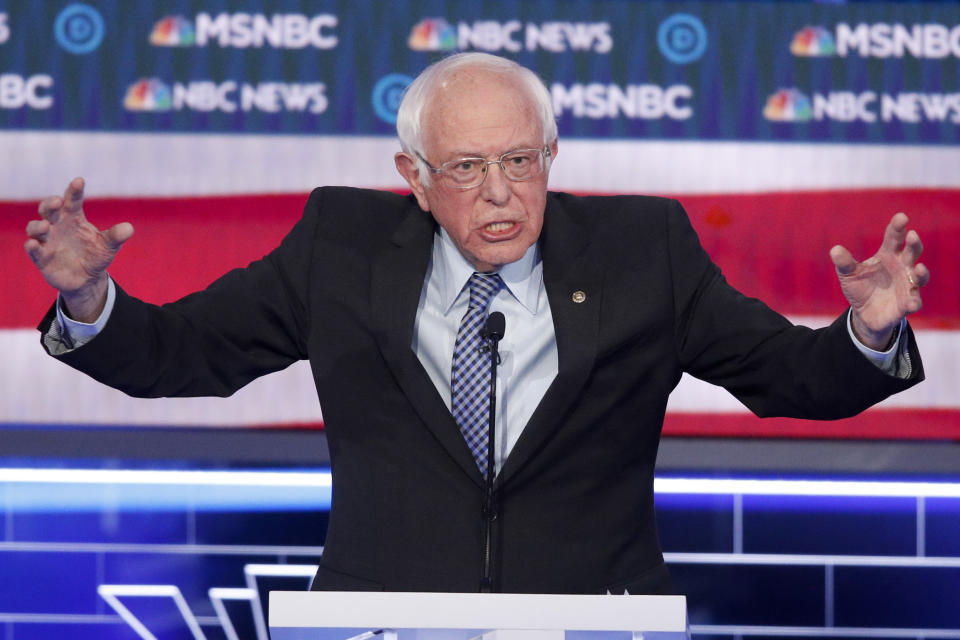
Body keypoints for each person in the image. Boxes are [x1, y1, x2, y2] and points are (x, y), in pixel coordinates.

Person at [25, 53, 928, 594]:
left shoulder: (639, 249)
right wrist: (87, 301)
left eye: (519, 159)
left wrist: (871, 334)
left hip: (592, 618)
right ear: (412, 176)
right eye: (466, 166)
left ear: (552, 155)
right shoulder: (339, 247)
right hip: (381, 617)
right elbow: (186, 355)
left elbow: (791, 377)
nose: (500, 192)